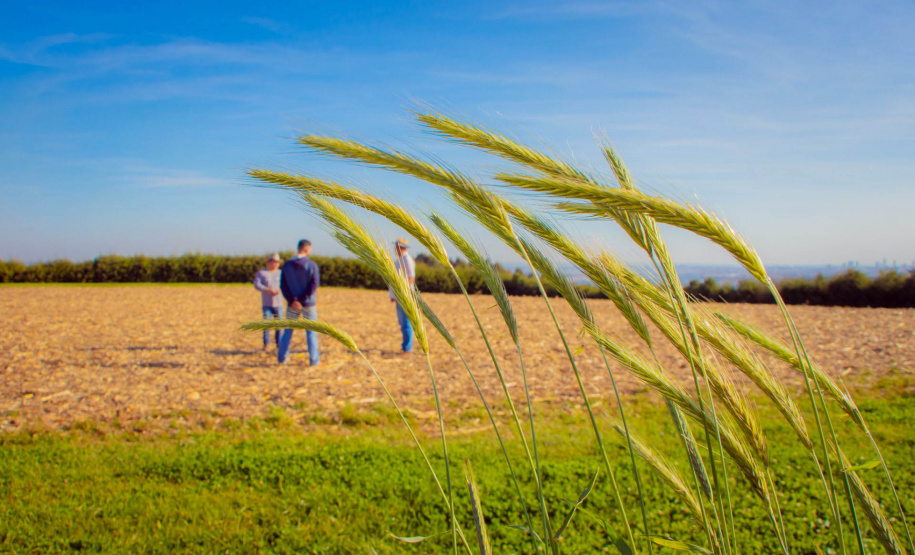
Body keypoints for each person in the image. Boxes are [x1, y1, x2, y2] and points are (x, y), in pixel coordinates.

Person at [277, 239, 320, 366]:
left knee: (288, 331)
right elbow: (314, 284)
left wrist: (292, 300)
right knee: (311, 332)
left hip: (292, 304)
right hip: (309, 305)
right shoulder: (311, 265)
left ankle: (282, 358)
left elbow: (283, 285)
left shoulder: (287, 265)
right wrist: (302, 299)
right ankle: (313, 360)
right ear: (307, 249)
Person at [390, 237, 416, 353]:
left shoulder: (407, 260)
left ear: (401, 247)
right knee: (402, 322)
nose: (394, 248)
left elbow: (411, 278)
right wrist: (393, 295)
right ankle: (405, 346)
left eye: (396, 246)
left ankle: (407, 348)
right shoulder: (398, 260)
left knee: (406, 323)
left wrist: (403, 293)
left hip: (404, 297)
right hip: (398, 296)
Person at [253, 253, 284, 351]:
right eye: (273, 262)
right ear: (269, 262)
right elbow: (257, 284)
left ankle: (279, 345)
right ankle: (266, 344)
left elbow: (286, 284)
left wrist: (281, 290)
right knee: (266, 325)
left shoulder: (281, 273)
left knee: (279, 326)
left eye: (277, 262)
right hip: (267, 303)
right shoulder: (262, 273)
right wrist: (267, 290)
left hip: (279, 303)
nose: (275, 264)